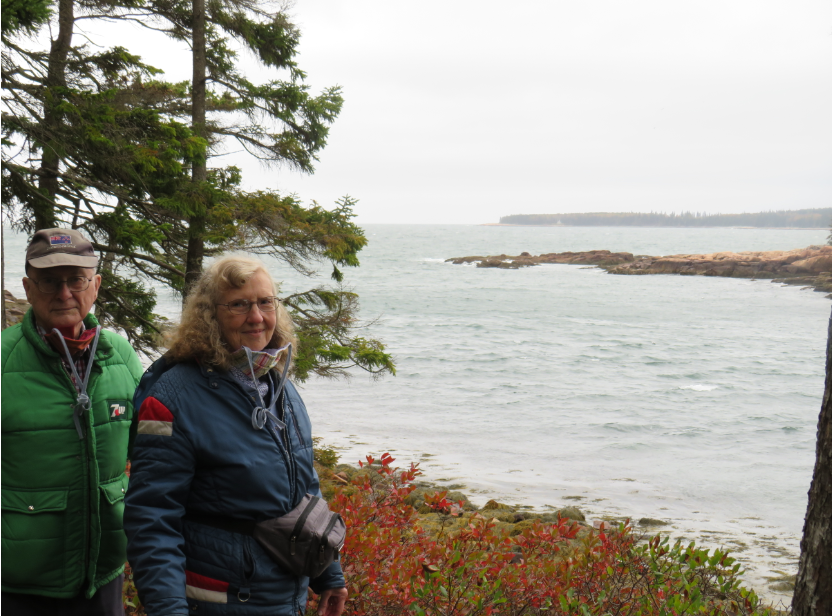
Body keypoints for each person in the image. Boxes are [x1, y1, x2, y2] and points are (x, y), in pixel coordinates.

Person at [124, 256, 348, 616]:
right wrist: (167, 609)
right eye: (239, 305)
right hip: (219, 600)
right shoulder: (172, 397)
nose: (256, 317)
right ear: (210, 314)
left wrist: (328, 573)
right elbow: (152, 518)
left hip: (283, 598)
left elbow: (304, 489)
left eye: (265, 302)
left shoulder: (276, 384)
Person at [1, 228, 143, 615]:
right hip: (16, 582)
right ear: (28, 289)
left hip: (103, 575)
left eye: (76, 279)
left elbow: (152, 459)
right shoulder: (3, 361)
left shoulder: (122, 358)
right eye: (49, 281)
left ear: (95, 285)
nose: (64, 293)